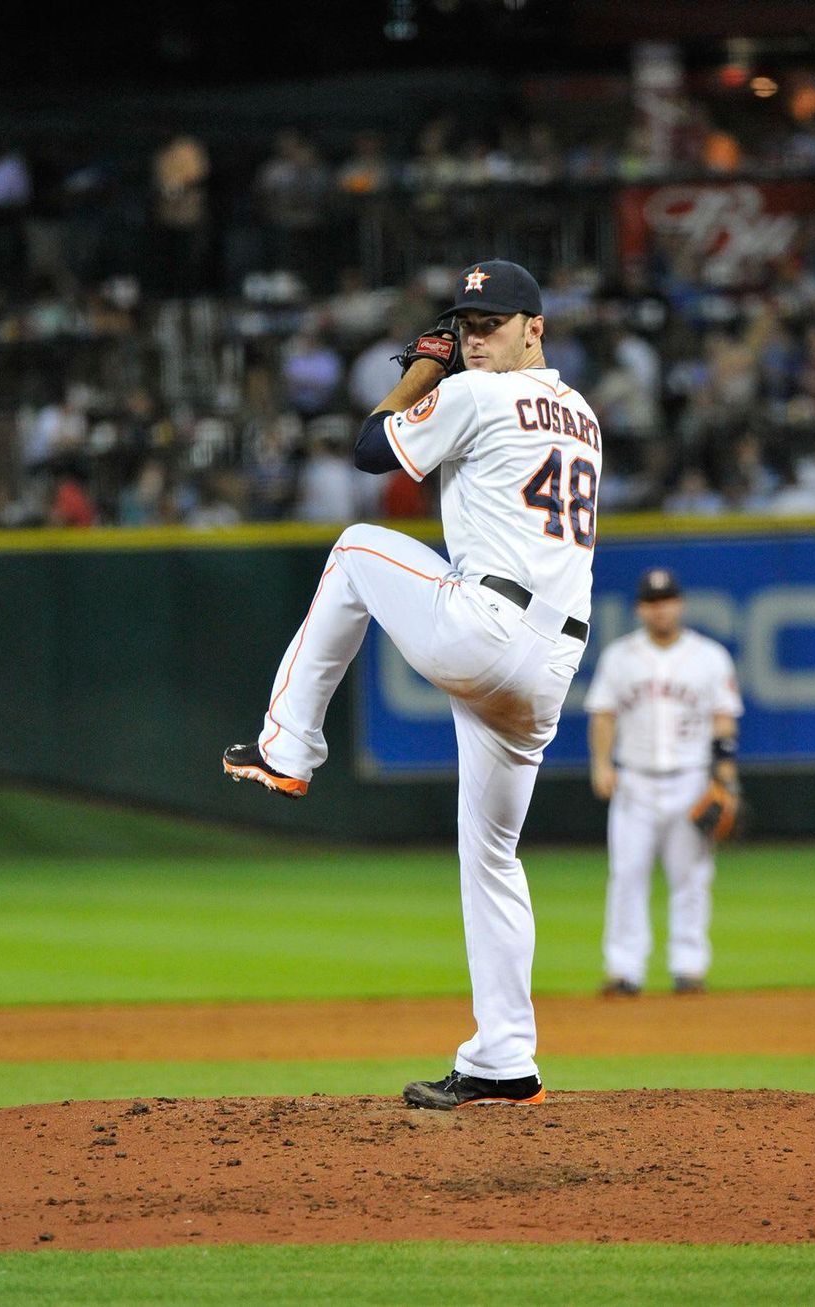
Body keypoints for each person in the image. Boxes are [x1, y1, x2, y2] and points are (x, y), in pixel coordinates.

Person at [223, 259, 602, 1108]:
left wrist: (423, 372)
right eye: (465, 326)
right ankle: (505, 1059)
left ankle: (288, 748)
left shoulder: (474, 393)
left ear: (535, 327)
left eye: (491, 323)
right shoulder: (582, 414)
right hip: (551, 663)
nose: (474, 337)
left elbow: (369, 451)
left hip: (488, 626)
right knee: (492, 856)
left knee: (357, 547)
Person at [584, 567, 742, 995]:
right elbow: (603, 714)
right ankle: (624, 970)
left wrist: (726, 780)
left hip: (691, 780)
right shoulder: (620, 657)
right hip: (634, 781)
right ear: (640, 609)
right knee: (626, 876)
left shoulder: (709, 657)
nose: (660, 609)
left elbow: (724, 720)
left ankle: (689, 967)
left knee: (692, 877)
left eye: (667, 600)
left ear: (680, 604)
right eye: (652, 602)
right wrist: (602, 764)